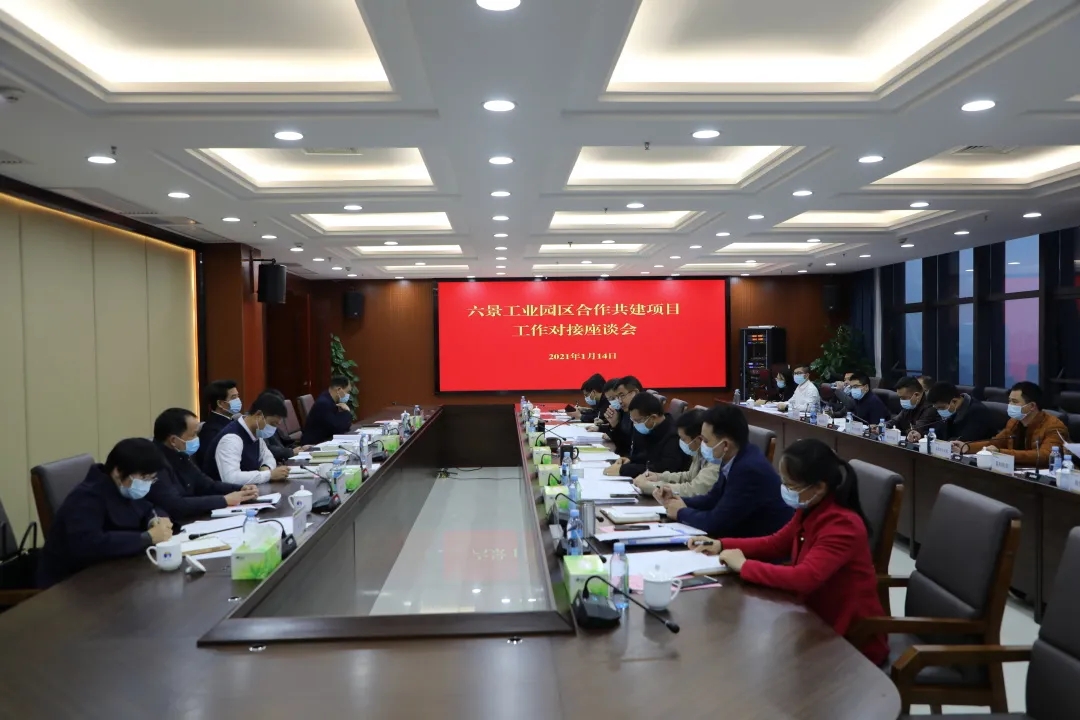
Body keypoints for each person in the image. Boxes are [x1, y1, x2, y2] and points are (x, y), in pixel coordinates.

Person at [688, 438, 888, 666]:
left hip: (851, 639)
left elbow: (805, 578)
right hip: (811, 619)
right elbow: (776, 544)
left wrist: (745, 566)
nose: (785, 490)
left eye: (791, 486)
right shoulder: (810, 508)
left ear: (819, 487)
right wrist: (721, 545)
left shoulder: (843, 525)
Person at [38, 438, 172, 588]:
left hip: (114, 571)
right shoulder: (86, 497)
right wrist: (146, 538)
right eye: (144, 478)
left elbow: (149, 508)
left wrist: (154, 520)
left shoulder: (124, 487)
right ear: (118, 471)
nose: (147, 484)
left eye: (151, 479)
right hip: (72, 584)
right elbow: (89, 543)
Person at [655, 405, 792, 538]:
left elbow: (716, 523)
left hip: (763, 544)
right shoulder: (732, 457)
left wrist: (681, 512)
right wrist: (677, 500)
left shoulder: (748, 469)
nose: (702, 446)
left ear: (725, 444)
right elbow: (712, 498)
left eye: (705, 441)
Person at [148, 408, 259, 523]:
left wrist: (240, 488)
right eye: (193, 434)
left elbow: (207, 485)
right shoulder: (153, 462)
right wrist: (224, 500)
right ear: (173, 440)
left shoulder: (180, 455)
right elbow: (176, 505)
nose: (197, 438)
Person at [962, 382, 1071, 467]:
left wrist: (1000, 453)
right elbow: (995, 443)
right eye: (1009, 401)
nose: (1010, 405)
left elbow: (1045, 456)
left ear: (1032, 406)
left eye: (1014, 402)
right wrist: (966, 446)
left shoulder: (1053, 426)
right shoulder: (1014, 422)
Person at [203, 391, 290, 485]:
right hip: (225, 492)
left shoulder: (256, 432)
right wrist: (268, 475)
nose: (273, 428)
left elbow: (268, 456)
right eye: (273, 424)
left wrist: (266, 467)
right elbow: (232, 478)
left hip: (249, 490)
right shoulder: (231, 439)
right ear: (259, 415)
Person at [632, 409, 720, 497]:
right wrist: (659, 477)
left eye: (683, 439)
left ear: (699, 439)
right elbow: (689, 476)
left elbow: (694, 490)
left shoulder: (716, 460)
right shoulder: (700, 451)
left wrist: (651, 486)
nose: (680, 442)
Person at [604, 391, 688, 477]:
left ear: (653, 417)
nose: (636, 425)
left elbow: (662, 468)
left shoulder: (673, 436)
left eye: (638, 421)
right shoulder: (653, 428)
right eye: (633, 421)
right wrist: (630, 459)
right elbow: (646, 455)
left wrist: (623, 470)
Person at [926, 382, 1003, 443]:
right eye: (937, 408)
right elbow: (938, 433)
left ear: (954, 401)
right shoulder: (951, 411)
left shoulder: (978, 412)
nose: (939, 411)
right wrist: (924, 436)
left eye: (941, 408)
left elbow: (965, 440)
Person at [196, 379, 242, 467]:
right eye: (233, 397)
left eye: (238, 396)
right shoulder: (211, 430)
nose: (238, 400)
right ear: (220, 403)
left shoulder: (233, 422)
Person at [300, 376, 355, 446]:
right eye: (347, 392)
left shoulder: (328, 399)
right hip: (313, 446)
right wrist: (347, 411)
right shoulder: (324, 403)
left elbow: (339, 425)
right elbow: (338, 428)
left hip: (324, 441)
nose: (348, 396)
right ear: (339, 390)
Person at [262, 389, 314, 463]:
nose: (279, 422)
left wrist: (300, 448)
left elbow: (285, 441)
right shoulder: (258, 425)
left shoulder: (271, 423)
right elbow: (267, 449)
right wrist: (290, 452)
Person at [889, 375, 940, 441]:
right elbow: (896, 421)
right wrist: (881, 427)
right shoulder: (910, 405)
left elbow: (916, 429)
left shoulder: (930, 408)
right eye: (900, 398)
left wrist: (906, 432)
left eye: (903, 398)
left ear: (916, 395)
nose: (902, 401)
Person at [604, 376, 643, 458]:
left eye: (622, 396)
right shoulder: (625, 412)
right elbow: (624, 446)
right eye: (617, 397)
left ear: (635, 393)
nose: (619, 401)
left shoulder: (645, 416)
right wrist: (615, 425)